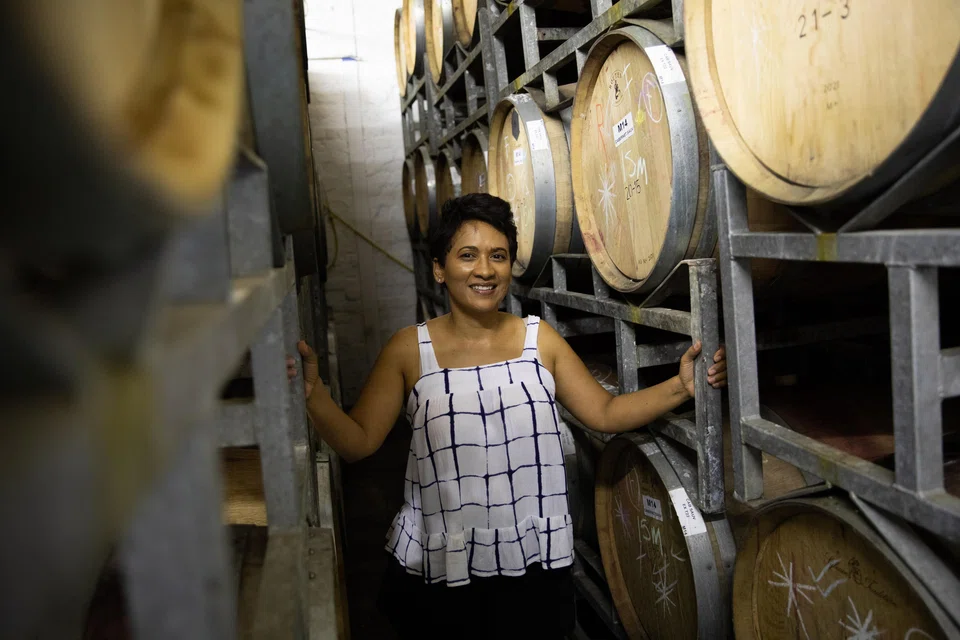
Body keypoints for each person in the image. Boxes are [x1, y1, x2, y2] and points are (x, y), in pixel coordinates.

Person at [290, 193, 726, 639]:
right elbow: (360, 441)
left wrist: (680, 386)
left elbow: (605, 411)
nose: (484, 269)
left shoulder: (539, 339)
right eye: (467, 256)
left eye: (498, 256)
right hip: (449, 566)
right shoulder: (409, 349)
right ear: (439, 269)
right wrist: (315, 396)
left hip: (531, 562)